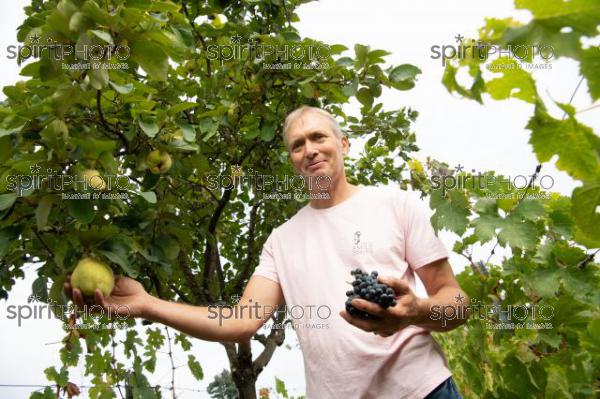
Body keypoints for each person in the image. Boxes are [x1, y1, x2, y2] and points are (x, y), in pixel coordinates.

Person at [64, 106, 469, 398]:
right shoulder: (282, 239)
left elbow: (456, 302)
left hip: (422, 389)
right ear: (293, 161)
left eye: (318, 138)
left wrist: (417, 311)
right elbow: (240, 322)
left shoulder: (395, 205)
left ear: (343, 144)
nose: (309, 149)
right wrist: (148, 304)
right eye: (297, 145)